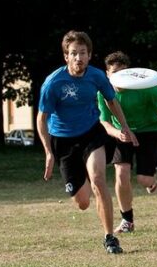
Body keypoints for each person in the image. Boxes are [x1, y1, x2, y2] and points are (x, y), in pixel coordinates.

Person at [37, 30, 138, 254]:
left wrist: (125, 127)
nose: (78, 58)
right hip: (63, 141)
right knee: (82, 202)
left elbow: (112, 102)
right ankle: (81, 181)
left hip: (91, 134)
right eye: (73, 53)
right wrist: (48, 152)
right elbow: (41, 119)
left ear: (89, 55)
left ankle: (110, 238)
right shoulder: (53, 83)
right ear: (66, 56)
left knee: (99, 181)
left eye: (82, 53)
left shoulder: (96, 76)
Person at [97, 51, 157, 234]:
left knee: (144, 179)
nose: (121, 78)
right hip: (122, 134)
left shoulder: (145, 88)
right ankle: (127, 220)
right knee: (121, 172)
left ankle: (151, 181)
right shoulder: (103, 92)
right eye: (115, 73)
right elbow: (105, 121)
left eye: (124, 73)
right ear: (107, 74)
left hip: (149, 132)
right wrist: (118, 133)